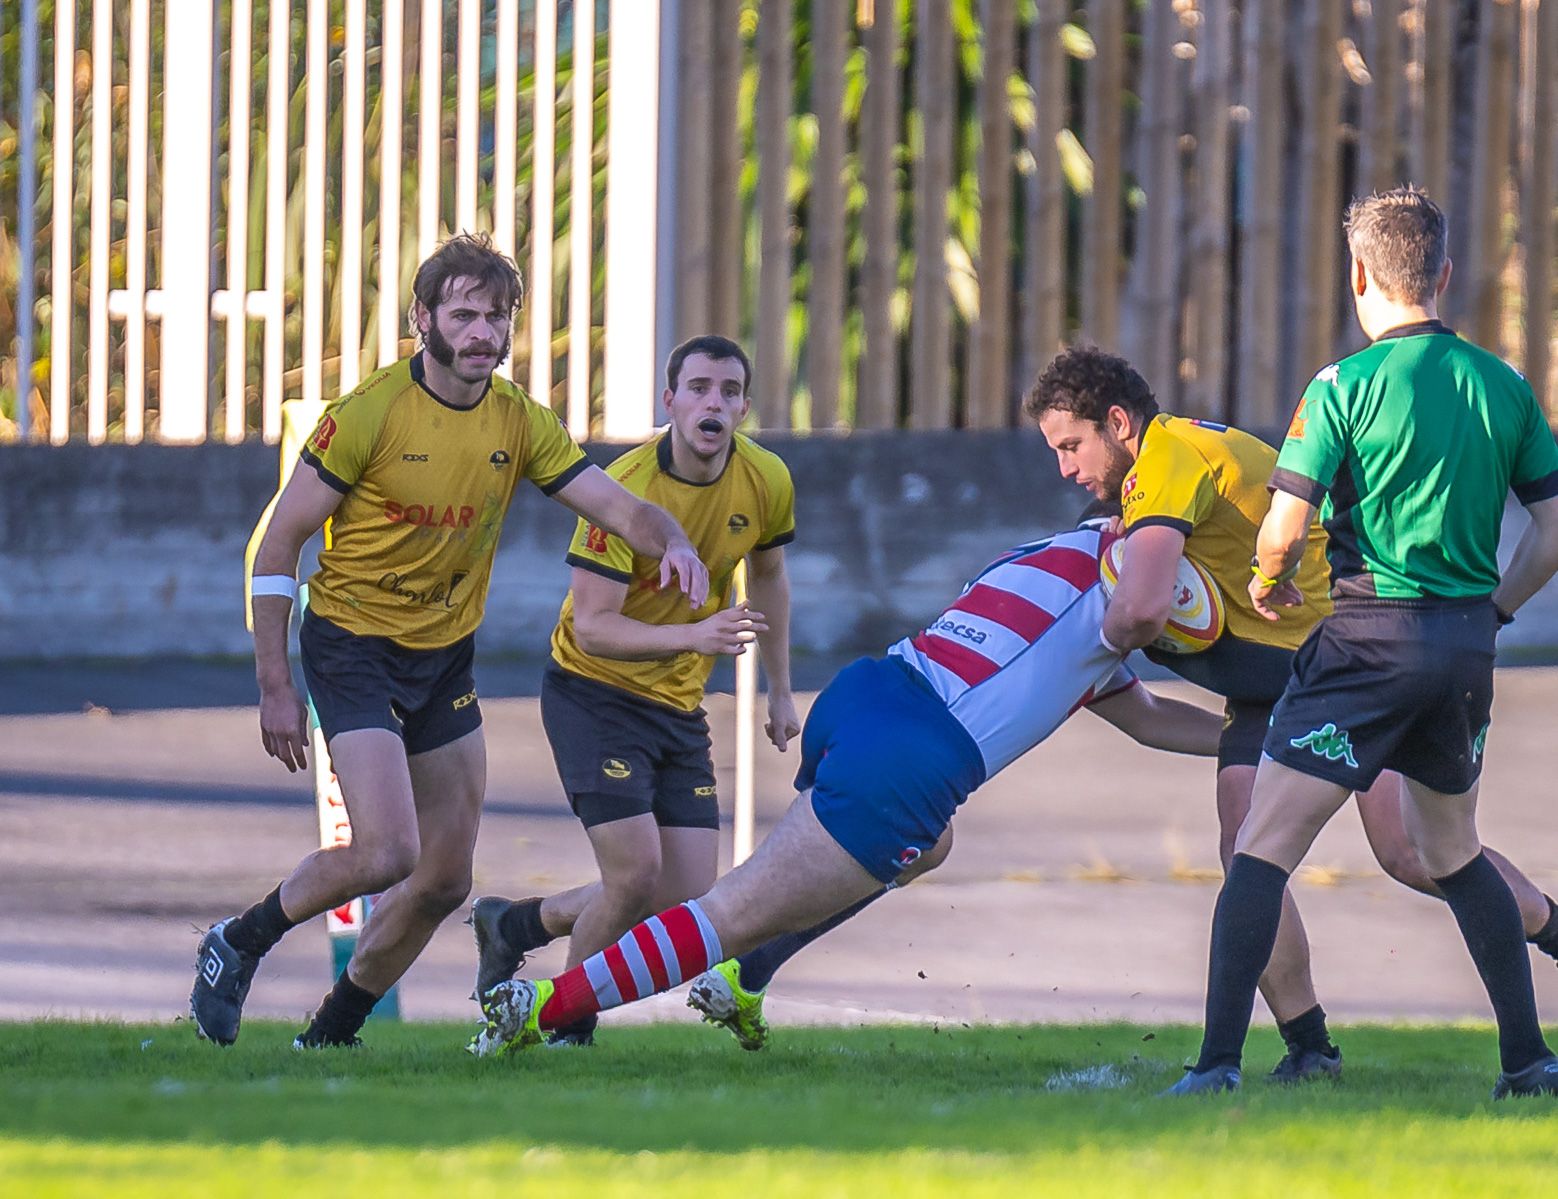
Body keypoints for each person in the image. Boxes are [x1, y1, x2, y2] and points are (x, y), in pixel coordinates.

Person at [1026, 346, 1558, 1083]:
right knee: (1242, 840)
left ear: (1117, 423)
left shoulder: (1167, 456)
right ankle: (1309, 1046)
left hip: (1345, 658)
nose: (1064, 467)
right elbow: (1160, 703)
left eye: (1071, 445)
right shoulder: (1149, 478)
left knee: (1409, 850)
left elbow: (1144, 610)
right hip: (1272, 681)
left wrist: (1070, 652)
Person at [191, 233, 707, 1049]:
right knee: (388, 850)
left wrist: (671, 539)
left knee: (442, 881)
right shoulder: (368, 414)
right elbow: (280, 542)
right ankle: (237, 941)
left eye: (496, 317)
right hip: (352, 646)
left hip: (443, 661)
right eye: (463, 314)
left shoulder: (519, 421)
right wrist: (274, 683)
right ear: (421, 318)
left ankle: (329, 1037)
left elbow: (617, 507)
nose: (482, 334)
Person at [467, 522, 1226, 1054]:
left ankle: (748, 973)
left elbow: (1149, 715)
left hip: (868, 690)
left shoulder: (1067, 547)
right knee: (725, 913)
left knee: (927, 844)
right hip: (907, 755)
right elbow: (1144, 620)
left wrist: (1253, 740)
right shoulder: (1123, 597)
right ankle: (538, 1009)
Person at [1171, 186, 1558, 1099]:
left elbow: (1283, 527)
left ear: (1359, 274)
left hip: (1366, 645)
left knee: (1261, 846)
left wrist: (1268, 580)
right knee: (1453, 853)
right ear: (1441, 274)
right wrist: (1496, 610)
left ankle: (1215, 1068)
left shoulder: (1341, 388)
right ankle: (1529, 1061)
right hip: (1465, 651)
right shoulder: (1502, 384)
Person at [463, 335, 800, 1046]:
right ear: (669, 401)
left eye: (730, 390)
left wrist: (780, 689)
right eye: (700, 387)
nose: (715, 402)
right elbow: (594, 629)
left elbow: (767, 576)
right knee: (634, 872)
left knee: (680, 897)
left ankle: (516, 924)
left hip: (676, 706)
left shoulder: (766, 478)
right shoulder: (626, 489)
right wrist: (697, 636)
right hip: (594, 694)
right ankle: (562, 1028)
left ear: (744, 405)